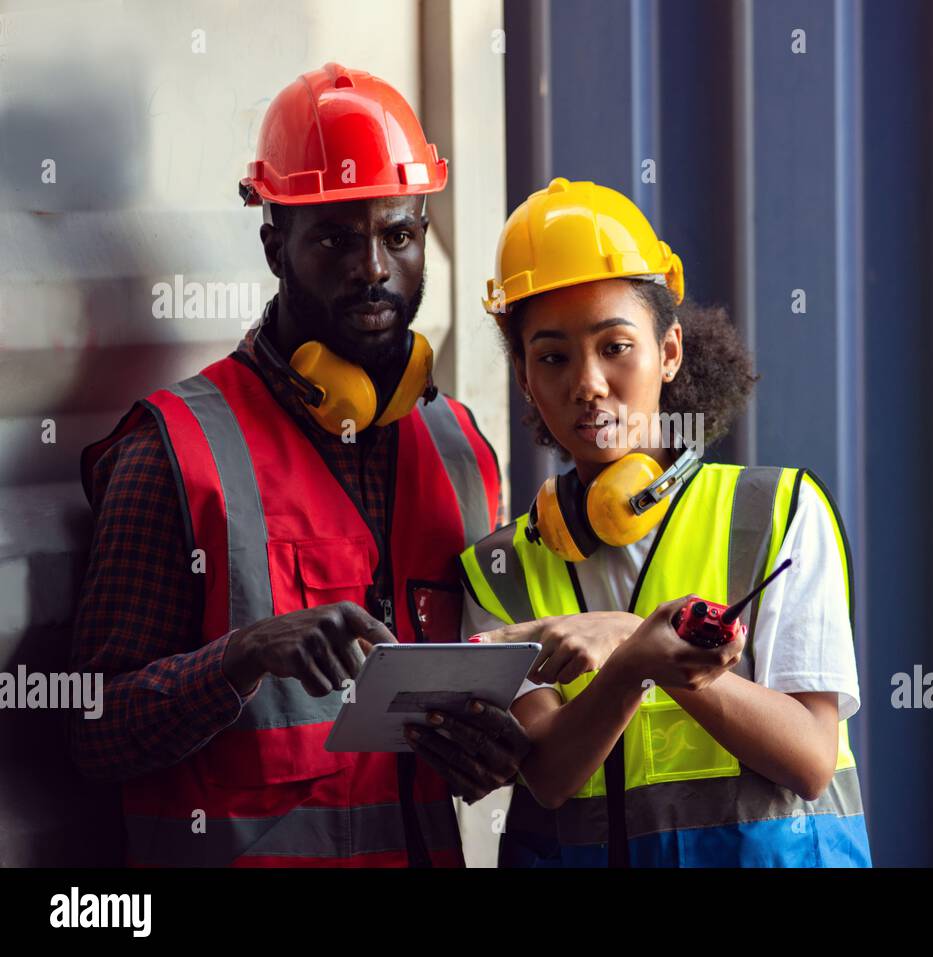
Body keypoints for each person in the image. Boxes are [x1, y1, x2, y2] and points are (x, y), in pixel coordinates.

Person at [71, 63, 529, 867]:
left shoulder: (463, 451)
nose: (375, 269)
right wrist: (242, 654)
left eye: (398, 234)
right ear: (274, 245)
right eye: (335, 238)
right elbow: (91, 729)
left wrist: (489, 750)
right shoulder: (172, 451)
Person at [455, 177, 872, 867]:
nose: (587, 383)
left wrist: (629, 635)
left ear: (669, 351)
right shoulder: (502, 569)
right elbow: (551, 777)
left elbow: (809, 757)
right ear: (526, 379)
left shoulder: (776, 514)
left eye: (615, 346)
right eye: (553, 357)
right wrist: (632, 664)